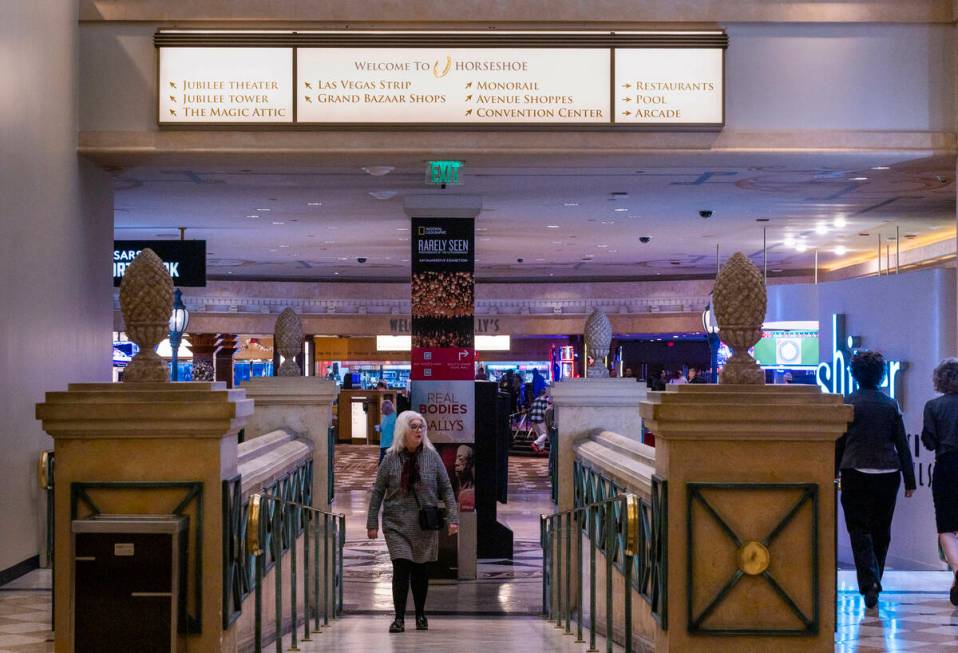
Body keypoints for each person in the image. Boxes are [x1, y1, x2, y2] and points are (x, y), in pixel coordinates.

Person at [836, 351, 915, 609]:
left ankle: (869, 582)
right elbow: (901, 444)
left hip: (854, 470)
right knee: (882, 530)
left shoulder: (848, 403)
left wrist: (833, 471)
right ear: (882, 374)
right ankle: (875, 579)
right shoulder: (890, 405)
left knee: (858, 528)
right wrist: (910, 480)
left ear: (854, 374)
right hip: (888, 473)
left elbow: (840, 442)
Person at [367, 411, 459, 633]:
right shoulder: (390, 459)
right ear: (403, 430)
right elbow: (378, 490)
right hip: (396, 524)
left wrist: (453, 518)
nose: (419, 430)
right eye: (414, 427)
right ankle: (398, 618)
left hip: (423, 524)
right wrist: (372, 523)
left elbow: (446, 488)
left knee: (420, 571)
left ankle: (420, 614)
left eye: (422, 427)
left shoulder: (432, 456)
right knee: (401, 567)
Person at [921, 358, 958, 606]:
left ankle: (957, 570)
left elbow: (929, 442)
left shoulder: (933, 406)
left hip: (946, 466)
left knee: (946, 526)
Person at [529, 387, 551, 454]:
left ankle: (541, 449)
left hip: (533, 420)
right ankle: (535, 443)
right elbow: (544, 412)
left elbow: (531, 409)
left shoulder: (536, 399)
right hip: (540, 419)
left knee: (540, 435)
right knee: (546, 434)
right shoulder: (544, 400)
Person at [454, 445, 475, 511]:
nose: (456, 463)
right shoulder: (455, 484)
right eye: (456, 459)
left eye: (461, 459)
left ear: (469, 463)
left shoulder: (471, 489)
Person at [378, 400, 397, 464]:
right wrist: (380, 428)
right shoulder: (384, 417)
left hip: (391, 445)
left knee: (386, 464)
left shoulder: (396, 417)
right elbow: (384, 427)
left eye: (382, 408)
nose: (381, 410)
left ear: (388, 409)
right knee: (382, 464)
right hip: (383, 444)